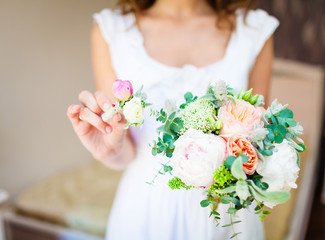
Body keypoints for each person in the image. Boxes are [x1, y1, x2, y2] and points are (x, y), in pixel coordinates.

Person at [67, 0, 279, 239]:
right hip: (146, 210)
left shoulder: (253, 30)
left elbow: (256, 140)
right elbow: (126, 154)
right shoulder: (112, 31)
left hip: (227, 215)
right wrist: (107, 150)